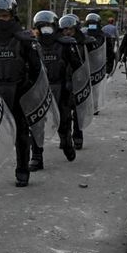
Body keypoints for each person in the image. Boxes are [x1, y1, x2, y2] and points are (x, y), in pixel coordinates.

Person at [0, 0, 41, 190]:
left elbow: (37, 70)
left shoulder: (24, 40)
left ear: (12, 15)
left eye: (5, 16)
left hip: (18, 92)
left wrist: (28, 92)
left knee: (21, 134)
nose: (1, 20)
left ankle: (22, 170)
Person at [31, 10, 81, 169]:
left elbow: (78, 68)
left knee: (64, 121)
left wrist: (72, 83)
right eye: (41, 27)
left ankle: (67, 143)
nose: (45, 31)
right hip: (39, 89)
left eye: (48, 27)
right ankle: (37, 157)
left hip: (61, 88)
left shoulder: (66, 44)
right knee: (37, 124)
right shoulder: (32, 45)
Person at [60, 14, 88, 150]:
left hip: (79, 81)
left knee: (78, 113)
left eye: (70, 29)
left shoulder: (83, 43)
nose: (68, 32)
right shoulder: (58, 44)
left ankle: (78, 137)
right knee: (64, 114)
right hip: (63, 82)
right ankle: (65, 138)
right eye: (65, 29)